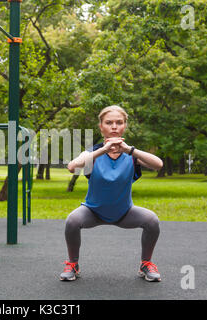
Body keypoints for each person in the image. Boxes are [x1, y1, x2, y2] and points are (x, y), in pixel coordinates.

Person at [60, 105, 164, 282]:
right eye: (109, 123)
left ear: (124, 126)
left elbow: (158, 164)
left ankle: (146, 264)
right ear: (101, 127)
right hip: (93, 212)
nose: (114, 126)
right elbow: (72, 167)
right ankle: (73, 265)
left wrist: (129, 149)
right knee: (72, 221)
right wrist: (103, 150)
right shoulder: (92, 153)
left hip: (124, 213)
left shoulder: (132, 155)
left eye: (119, 122)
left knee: (152, 220)